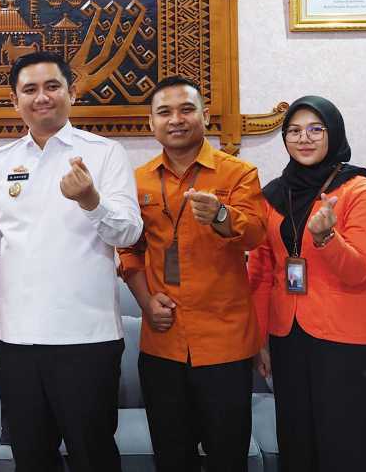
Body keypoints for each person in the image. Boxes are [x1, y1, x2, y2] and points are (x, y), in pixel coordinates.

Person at [0, 51, 143, 472]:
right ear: (15, 101)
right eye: (30, 89)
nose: (42, 97)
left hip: (87, 337)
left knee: (93, 455)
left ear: (72, 92)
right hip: (17, 338)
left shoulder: (104, 153)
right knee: (31, 456)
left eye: (52, 86)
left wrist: (91, 200)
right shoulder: (0, 162)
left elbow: (128, 233)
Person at [118, 76, 267, 472]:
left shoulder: (238, 173)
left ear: (205, 115)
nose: (176, 119)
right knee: (171, 457)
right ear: (151, 123)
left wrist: (220, 215)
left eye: (187, 110)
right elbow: (129, 250)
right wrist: (146, 303)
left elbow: (256, 233)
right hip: (163, 342)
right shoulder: (138, 180)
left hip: (225, 343)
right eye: (164, 112)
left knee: (227, 458)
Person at [247, 96, 366, 472]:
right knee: (298, 441)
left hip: (348, 340)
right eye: (294, 131)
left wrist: (327, 238)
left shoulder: (360, 191)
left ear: (335, 133)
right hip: (288, 336)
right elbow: (262, 271)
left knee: (350, 445)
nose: (304, 138)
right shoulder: (274, 195)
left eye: (316, 129)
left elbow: (358, 271)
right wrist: (260, 338)